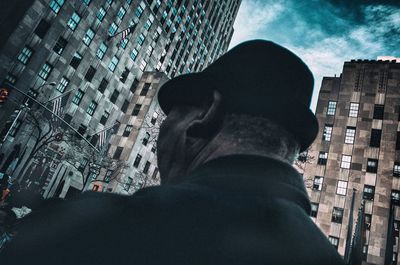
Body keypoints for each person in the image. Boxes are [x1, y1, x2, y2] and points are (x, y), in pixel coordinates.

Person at [0, 40, 345, 264]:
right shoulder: (323, 256)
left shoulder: (93, 232)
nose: (158, 138)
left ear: (206, 114)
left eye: (172, 115)